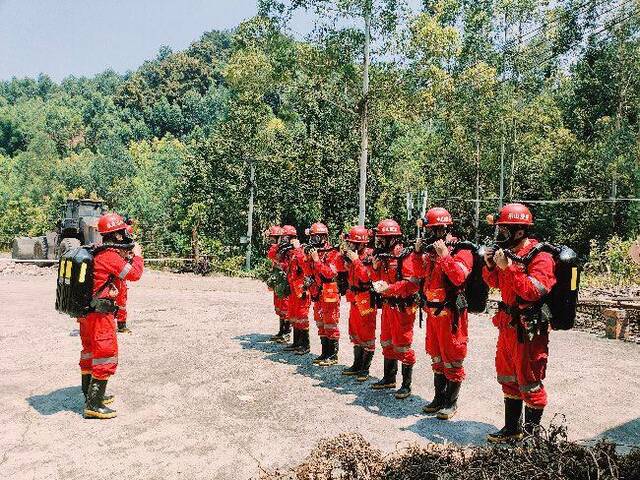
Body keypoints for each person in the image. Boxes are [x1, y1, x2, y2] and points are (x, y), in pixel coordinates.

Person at [482, 203, 556, 442]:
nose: (500, 236)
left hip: (528, 328)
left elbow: (533, 292)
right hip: (507, 325)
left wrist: (511, 268)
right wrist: (491, 265)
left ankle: (531, 437)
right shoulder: (509, 252)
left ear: (519, 231)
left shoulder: (540, 256)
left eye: (504, 231)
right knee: (508, 376)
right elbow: (494, 282)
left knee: (529, 379)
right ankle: (511, 428)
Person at [80, 212, 144, 419]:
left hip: (86, 314)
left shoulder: (97, 251)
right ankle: (94, 404)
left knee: (89, 352)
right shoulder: (109, 256)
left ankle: (90, 393)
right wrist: (138, 256)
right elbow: (134, 274)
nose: (125, 235)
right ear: (116, 235)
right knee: (106, 353)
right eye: (122, 232)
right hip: (100, 314)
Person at [415, 207, 473, 420]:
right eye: (430, 231)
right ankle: (438, 398)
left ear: (445, 229)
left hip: (451, 315)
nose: (432, 235)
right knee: (437, 357)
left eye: (435, 230)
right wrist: (418, 252)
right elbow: (419, 275)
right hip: (432, 313)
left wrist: (445, 256)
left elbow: (459, 278)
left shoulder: (461, 250)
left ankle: (451, 402)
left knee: (453, 358)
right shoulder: (430, 252)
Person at [370, 219, 420, 399]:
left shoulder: (404, 255)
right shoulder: (383, 255)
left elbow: (411, 284)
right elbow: (377, 279)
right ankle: (389, 378)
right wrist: (375, 269)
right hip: (388, 305)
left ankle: (406, 385)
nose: (379, 242)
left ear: (392, 238)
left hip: (402, 307)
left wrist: (389, 289)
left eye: (383, 239)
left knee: (402, 344)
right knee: (387, 341)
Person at [305, 222, 345, 366]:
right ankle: (324, 353)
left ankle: (333, 355)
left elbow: (330, 273)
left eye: (315, 238)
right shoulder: (314, 252)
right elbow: (308, 271)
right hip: (318, 292)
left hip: (330, 293)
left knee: (330, 323)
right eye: (312, 238)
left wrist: (316, 260)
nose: (313, 241)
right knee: (320, 322)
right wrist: (309, 259)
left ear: (323, 238)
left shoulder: (333, 253)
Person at [341, 226, 377, 381]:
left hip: (366, 298)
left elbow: (366, 278)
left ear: (361, 244)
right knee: (355, 331)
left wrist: (356, 261)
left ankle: (365, 368)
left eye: (352, 243)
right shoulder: (352, 256)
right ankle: (357, 364)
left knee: (367, 332)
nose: (350, 246)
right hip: (355, 298)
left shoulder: (369, 256)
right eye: (349, 243)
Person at [280, 225, 312, 354]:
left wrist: (298, 248)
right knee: (293, 315)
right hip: (293, 289)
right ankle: (296, 342)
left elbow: (305, 265)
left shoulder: (301, 250)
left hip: (301, 289)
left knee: (302, 316)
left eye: (285, 238)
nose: (283, 240)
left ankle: (305, 345)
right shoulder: (288, 252)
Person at [266, 225, 291, 343]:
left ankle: (286, 333)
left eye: (274, 239)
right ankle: (281, 331)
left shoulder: (288, 250)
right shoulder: (278, 249)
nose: (272, 242)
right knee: (280, 308)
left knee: (286, 308)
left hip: (286, 282)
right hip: (279, 282)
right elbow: (271, 256)